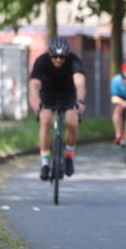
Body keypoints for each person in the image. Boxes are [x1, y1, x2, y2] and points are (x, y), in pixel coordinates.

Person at [28, 37, 86, 180]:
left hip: (68, 92)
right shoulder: (42, 61)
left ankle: (68, 157)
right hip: (48, 92)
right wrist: (36, 102)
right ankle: (45, 162)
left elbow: (79, 81)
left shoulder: (74, 60)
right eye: (55, 57)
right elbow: (34, 84)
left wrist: (79, 101)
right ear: (50, 55)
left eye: (62, 57)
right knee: (45, 120)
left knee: (72, 122)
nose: (58, 60)